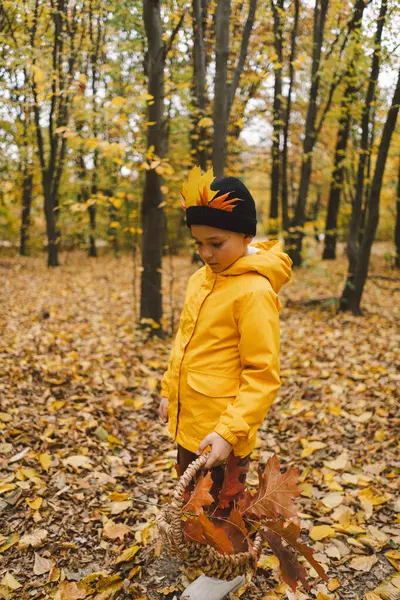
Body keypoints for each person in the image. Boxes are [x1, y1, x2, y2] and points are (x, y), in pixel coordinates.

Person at [158, 166, 292, 500]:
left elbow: (262, 374)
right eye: (198, 243)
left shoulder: (254, 293)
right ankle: (187, 548)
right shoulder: (199, 279)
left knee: (220, 518)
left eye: (216, 243)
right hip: (189, 424)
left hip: (223, 436)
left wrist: (228, 433)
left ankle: (222, 552)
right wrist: (168, 391)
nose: (205, 253)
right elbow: (185, 342)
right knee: (189, 501)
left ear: (247, 237)